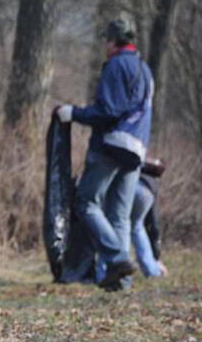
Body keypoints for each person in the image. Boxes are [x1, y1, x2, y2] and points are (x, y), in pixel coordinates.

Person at [56, 17, 154, 291]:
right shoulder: (144, 68)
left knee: (86, 202)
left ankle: (118, 258)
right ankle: (120, 282)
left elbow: (108, 111)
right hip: (137, 150)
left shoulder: (115, 65)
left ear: (112, 40)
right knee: (119, 216)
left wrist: (74, 113)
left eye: (106, 39)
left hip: (109, 147)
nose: (105, 45)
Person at [94, 157, 168, 287]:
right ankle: (152, 270)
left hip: (128, 190)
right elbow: (152, 224)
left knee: (114, 226)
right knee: (137, 227)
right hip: (146, 195)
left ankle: (104, 272)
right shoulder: (151, 181)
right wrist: (156, 257)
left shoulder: (127, 166)